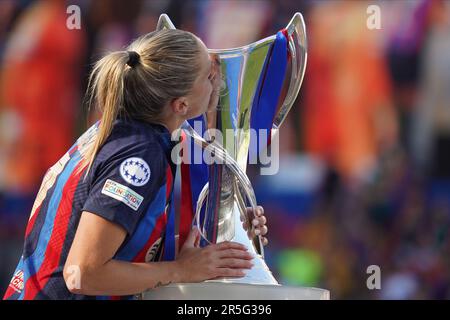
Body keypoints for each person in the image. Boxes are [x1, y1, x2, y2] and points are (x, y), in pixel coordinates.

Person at [3, 29, 268, 300]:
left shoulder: (124, 133)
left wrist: (224, 232)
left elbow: (117, 248)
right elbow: (82, 273)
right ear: (181, 104)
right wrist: (178, 270)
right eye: (208, 76)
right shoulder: (139, 156)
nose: (218, 82)